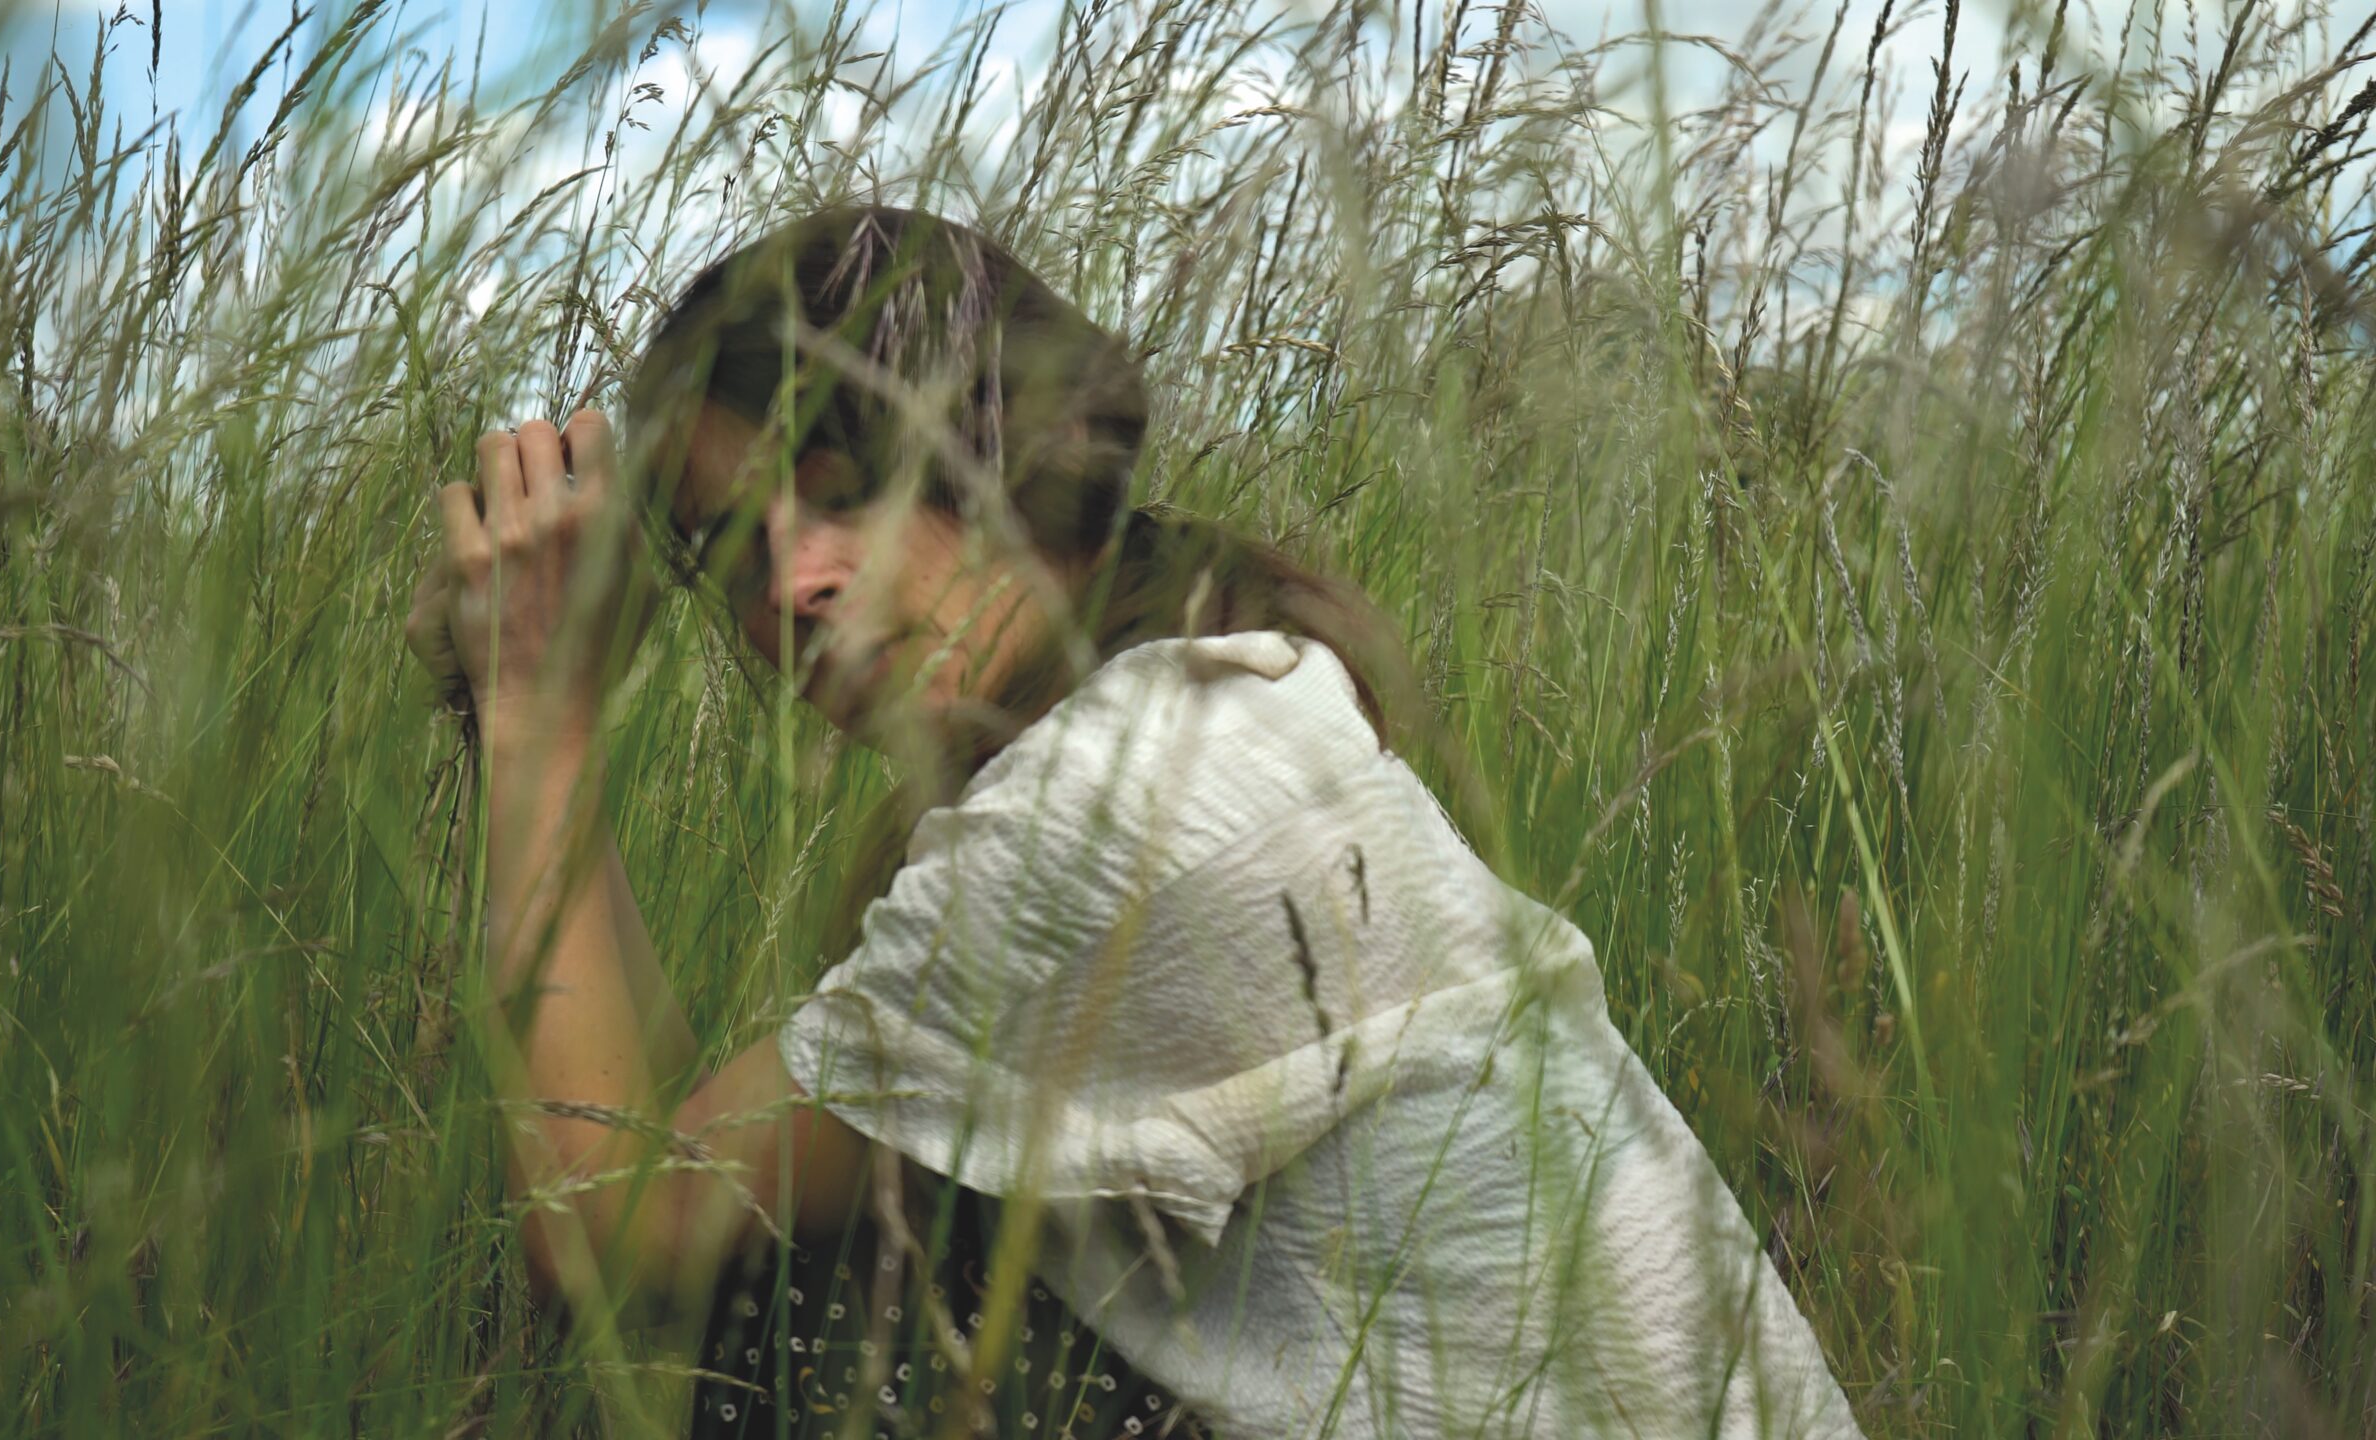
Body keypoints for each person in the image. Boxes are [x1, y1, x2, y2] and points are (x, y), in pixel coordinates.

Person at [403, 206, 1862, 1439]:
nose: (793, 583)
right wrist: (532, 722)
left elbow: (611, 1242)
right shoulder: (1197, 705)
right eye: (735, 547)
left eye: (846, 496)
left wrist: (538, 710)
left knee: (796, 1326)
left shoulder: (1128, 795)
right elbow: (671, 1155)